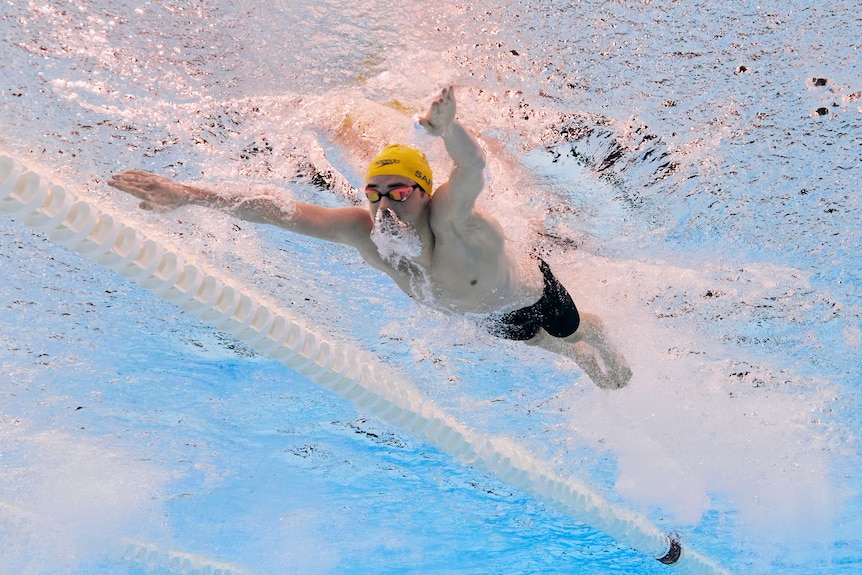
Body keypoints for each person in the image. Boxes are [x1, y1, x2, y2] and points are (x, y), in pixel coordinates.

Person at [109, 86, 632, 389]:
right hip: (490, 315)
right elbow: (281, 212)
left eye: (398, 191)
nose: (384, 203)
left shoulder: (449, 217)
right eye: (374, 192)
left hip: (531, 291)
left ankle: (598, 332)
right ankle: (580, 357)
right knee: (543, 345)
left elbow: (472, 169)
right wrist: (189, 193)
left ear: (425, 192)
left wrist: (447, 130)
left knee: (568, 328)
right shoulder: (365, 232)